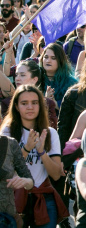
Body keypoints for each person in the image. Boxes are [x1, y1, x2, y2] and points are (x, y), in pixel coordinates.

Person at [1, 85, 68, 227]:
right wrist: (26, 148)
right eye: (24, 103)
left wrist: (42, 152)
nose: (30, 107)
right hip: (14, 199)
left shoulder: (50, 133)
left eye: (35, 102)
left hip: (44, 197)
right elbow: (6, 170)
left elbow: (56, 175)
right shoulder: (8, 131)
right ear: (17, 107)